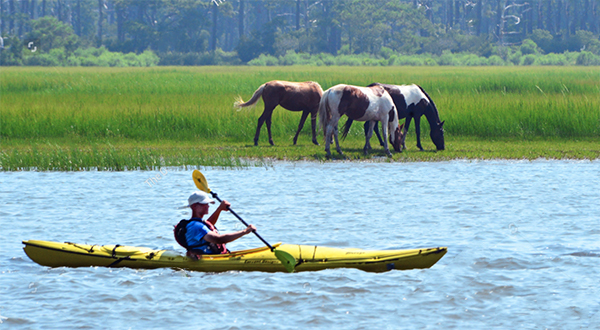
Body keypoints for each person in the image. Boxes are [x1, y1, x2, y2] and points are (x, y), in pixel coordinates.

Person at [177, 191, 256, 258]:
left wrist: (220, 209)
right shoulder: (196, 226)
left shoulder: (196, 224)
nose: (208, 206)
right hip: (208, 260)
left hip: (213, 257)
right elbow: (219, 239)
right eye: (204, 203)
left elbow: (209, 225)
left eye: (208, 203)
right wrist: (245, 231)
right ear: (194, 206)